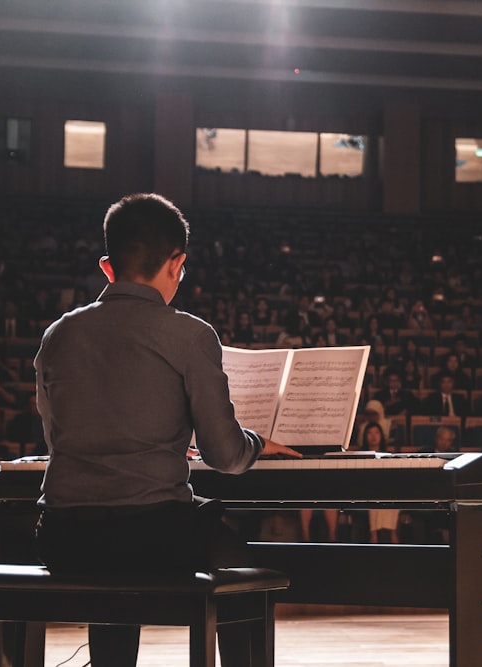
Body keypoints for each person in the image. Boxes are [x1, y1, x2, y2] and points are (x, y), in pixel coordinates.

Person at [32, 193, 300, 667]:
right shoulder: (190, 334)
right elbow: (223, 455)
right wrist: (256, 441)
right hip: (152, 536)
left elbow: (57, 439)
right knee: (239, 562)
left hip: (64, 536)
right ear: (177, 264)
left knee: (113, 557)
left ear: (107, 267)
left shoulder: (58, 335)